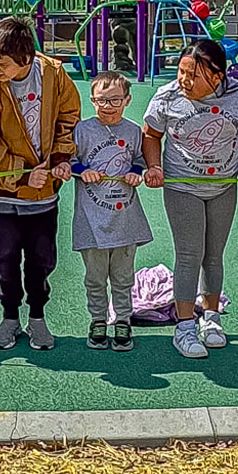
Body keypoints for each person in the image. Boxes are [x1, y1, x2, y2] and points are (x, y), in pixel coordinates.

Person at [143, 39, 238, 360]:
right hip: (183, 186)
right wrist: (154, 166)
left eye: (193, 75)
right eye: (181, 72)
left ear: (218, 75)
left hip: (223, 185)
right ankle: (184, 327)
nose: (184, 80)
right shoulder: (167, 97)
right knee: (189, 254)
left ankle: (211, 318)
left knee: (213, 255)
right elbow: (151, 134)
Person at [0, 16, 80, 351]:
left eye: (2, 63)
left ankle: (37, 317)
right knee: (4, 260)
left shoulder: (54, 74)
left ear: (26, 58)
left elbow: (69, 117)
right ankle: (9, 318)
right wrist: (20, 174)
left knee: (41, 260)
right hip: (3, 196)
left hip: (43, 195)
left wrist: (61, 158)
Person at [72, 71, 152, 352]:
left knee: (123, 277)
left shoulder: (133, 131)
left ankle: (123, 320)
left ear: (127, 100)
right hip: (91, 220)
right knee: (95, 277)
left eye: (115, 100)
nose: (107, 106)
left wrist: (135, 172)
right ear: (92, 100)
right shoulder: (82, 130)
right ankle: (98, 320)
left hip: (124, 220)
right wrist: (82, 170)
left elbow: (140, 159)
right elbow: (68, 160)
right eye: (101, 100)